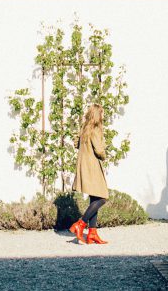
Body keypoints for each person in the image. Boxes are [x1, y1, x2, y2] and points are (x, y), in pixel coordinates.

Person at [69, 104, 110, 244]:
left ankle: (92, 233)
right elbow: (99, 150)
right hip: (93, 166)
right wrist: (104, 155)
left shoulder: (84, 127)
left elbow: (76, 144)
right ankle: (80, 224)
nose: (103, 116)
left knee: (94, 198)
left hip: (84, 165)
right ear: (98, 115)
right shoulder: (96, 129)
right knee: (103, 197)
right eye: (102, 114)